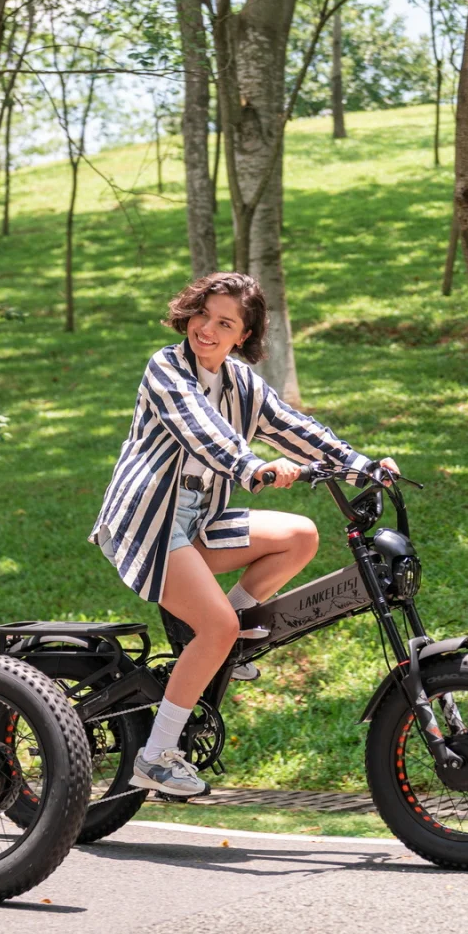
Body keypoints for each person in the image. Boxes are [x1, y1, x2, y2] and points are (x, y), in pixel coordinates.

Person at [91, 272, 398, 796]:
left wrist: (360, 465)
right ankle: (156, 754)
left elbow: (293, 427)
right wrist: (250, 465)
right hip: (148, 522)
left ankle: (226, 638)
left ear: (243, 336)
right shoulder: (165, 368)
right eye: (202, 315)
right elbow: (200, 429)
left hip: (200, 520)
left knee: (299, 535)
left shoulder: (241, 384)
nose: (206, 329)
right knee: (216, 628)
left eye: (224, 323)